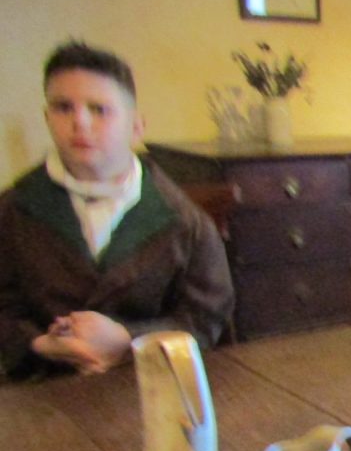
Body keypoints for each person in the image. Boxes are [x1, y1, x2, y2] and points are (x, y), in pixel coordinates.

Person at [0, 40, 233, 379]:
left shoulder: (185, 221)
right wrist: (37, 344)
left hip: (147, 382)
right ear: (47, 118)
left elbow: (206, 318)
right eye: (64, 107)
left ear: (136, 126)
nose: (80, 122)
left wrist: (127, 339)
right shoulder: (13, 210)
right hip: (42, 386)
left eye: (99, 109)